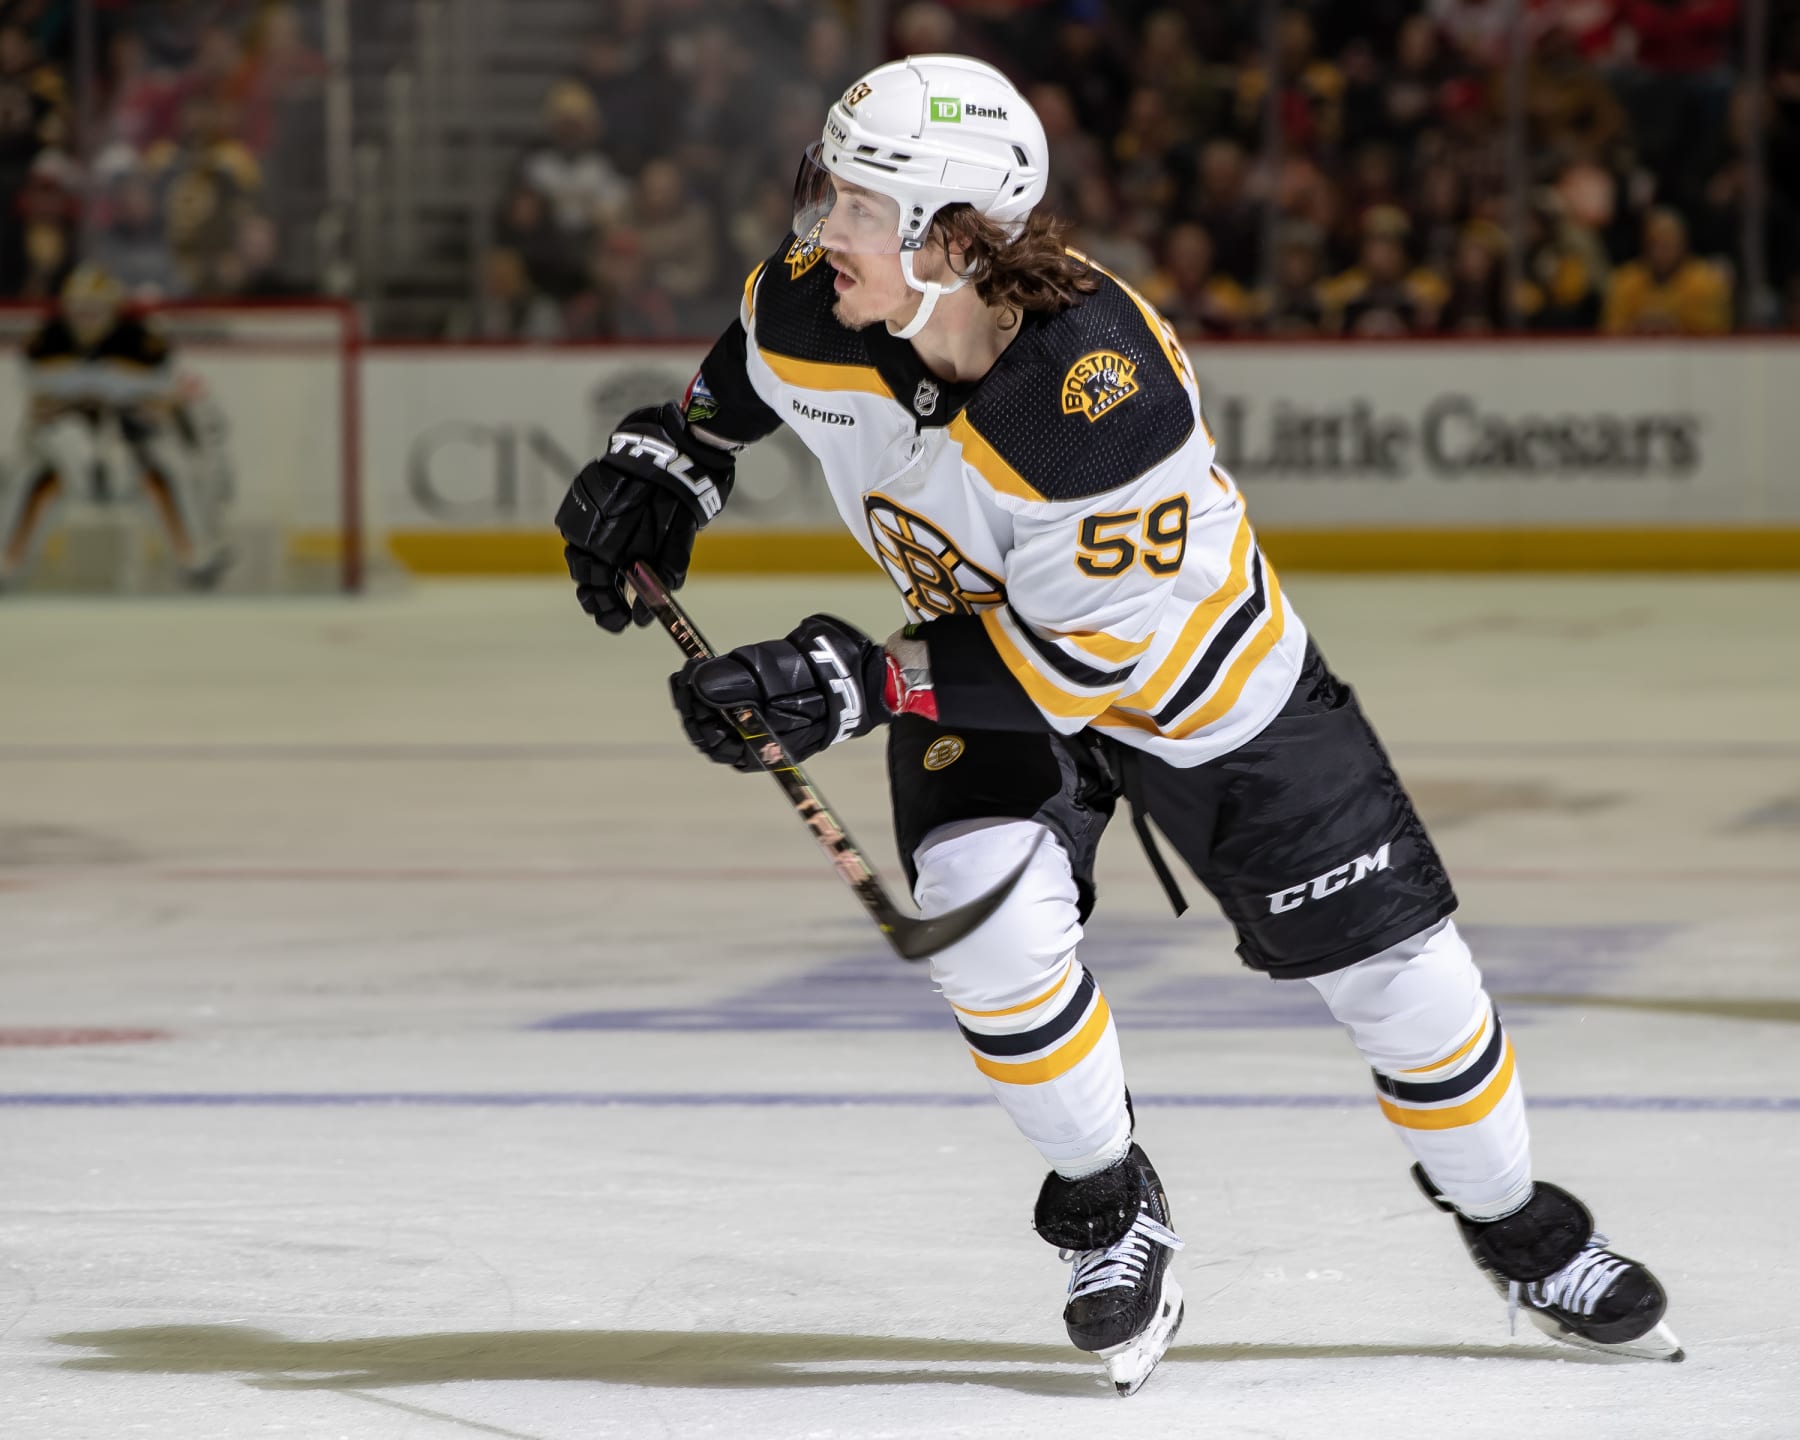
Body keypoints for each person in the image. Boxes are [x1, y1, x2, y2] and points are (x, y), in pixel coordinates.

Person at [554, 56, 1683, 1393]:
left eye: (857, 206)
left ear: (954, 241)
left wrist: (850, 682)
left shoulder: (1099, 395)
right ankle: (1108, 1206)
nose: (819, 231)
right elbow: (743, 375)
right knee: (986, 938)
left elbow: (1084, 666)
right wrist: (672, 460)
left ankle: (1516, 1226)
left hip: (1210, 695)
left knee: (1410, 989)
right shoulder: (818, 299)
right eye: (828, 191)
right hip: (983, 669)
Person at [0, 265, 231, 590]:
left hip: (130, 442)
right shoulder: (46, 339)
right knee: (26, 476)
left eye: (94, 308)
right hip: (67, 446)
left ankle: (193, 557)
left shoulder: (140, 340)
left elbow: (164, 399)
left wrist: (134, 406)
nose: (86, 317)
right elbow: (37, 405)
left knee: (170, 470)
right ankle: (7, 562)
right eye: (79, 308)